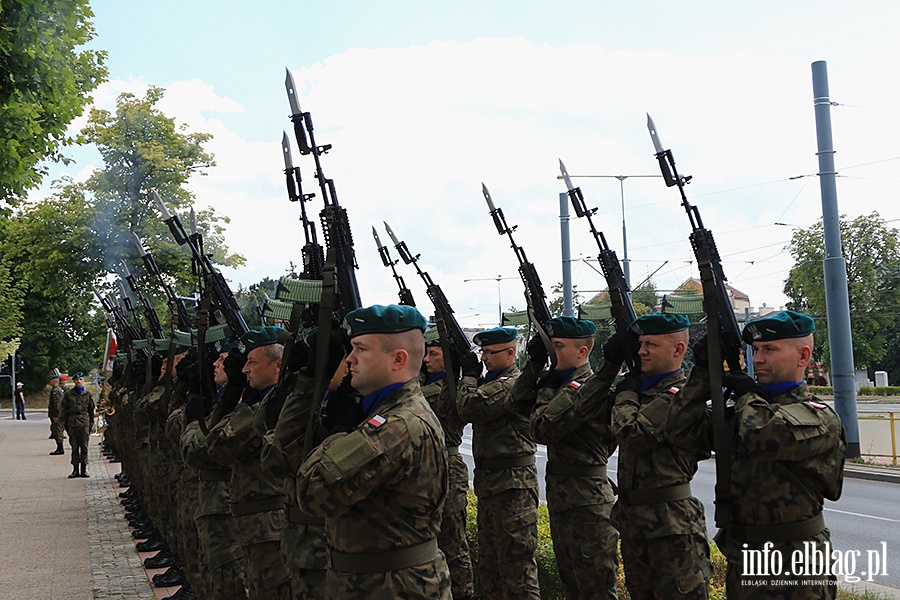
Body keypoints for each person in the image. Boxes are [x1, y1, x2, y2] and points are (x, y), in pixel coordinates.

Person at [669, 309, 845, 599]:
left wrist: (747, 393)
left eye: (770, 349)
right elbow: (679, 431)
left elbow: (761, 433)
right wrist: (702, 373)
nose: (758, 359)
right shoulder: (747, 410)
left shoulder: (819, 417)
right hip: (745, 559)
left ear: (802, 357)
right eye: (755, 350)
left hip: (795, 565)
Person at [290, 304, 451, 598]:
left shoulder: (397, 425)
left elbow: (311, 493)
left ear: (398, 359)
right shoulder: (380, 413)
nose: (349, 359)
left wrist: (340, 433)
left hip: (391, 587)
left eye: (361, 349)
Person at [510, 316, 619, 599]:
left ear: (582, 352)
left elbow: (542, 427)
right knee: (571, 585)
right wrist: (534, 366)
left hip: (588, 504)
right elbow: (517, 403)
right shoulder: (562, 384)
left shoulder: (591, 387)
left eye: (558, 346)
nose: (552, 352)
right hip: (565, 501)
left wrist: (546, 386)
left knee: (595, 589)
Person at [608, 313, 711, 598]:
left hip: (671, 529)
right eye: (640, 344)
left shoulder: (681, 394)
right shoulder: (643, 390)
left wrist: (625, 395)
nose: (642, 351)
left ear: (678, 350)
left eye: (650, 344)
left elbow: (632, 434)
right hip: (635, 525)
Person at [206, 326, 292, 600]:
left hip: (271, 526)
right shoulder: (260, 401)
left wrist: (239, 398)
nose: (244, 370)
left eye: (252, 362)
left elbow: (218, 447)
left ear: (278, 365)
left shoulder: (277, 406)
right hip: (256, 524)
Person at [457, 326, 540, 600]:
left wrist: (468, 376)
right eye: (482, 352)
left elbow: (469, 407)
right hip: (492, 485)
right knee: (490, 567)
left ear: (510, 353)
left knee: (517, 569)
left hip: (513, 486)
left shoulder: (510, 384)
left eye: (490, 352)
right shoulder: (491, 382)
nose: (483, 358)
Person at [422, 327, 474, 598]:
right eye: (425, 353)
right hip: (425, 469)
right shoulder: (424, 382)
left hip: (447, 469)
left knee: (453, 545)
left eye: (433, 354)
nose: (426, 359)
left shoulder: (446, 389)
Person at [60, 372, 95, 478]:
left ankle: (84, 469)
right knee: (74, 447)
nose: (78, 381)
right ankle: (75, 469)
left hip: (84, 422)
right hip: (73, 422)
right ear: (73, 381)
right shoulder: (68, 394)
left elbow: (91, 410)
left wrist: (91, 424)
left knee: (84, 447)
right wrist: (64, 424)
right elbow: (64, 409)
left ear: (83, 380)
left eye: (80, 379)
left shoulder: (87, 394)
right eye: (76, 380)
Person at [48, 374, 66, 454]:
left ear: (54, 381)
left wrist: (56, 415)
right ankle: (59, 447)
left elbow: (57, 404)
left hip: (57, 415)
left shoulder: (56, 391)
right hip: (59, 414)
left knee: (57, 431)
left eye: (51, 380)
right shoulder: (58, 389)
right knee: (57, 430)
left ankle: (60, 448)